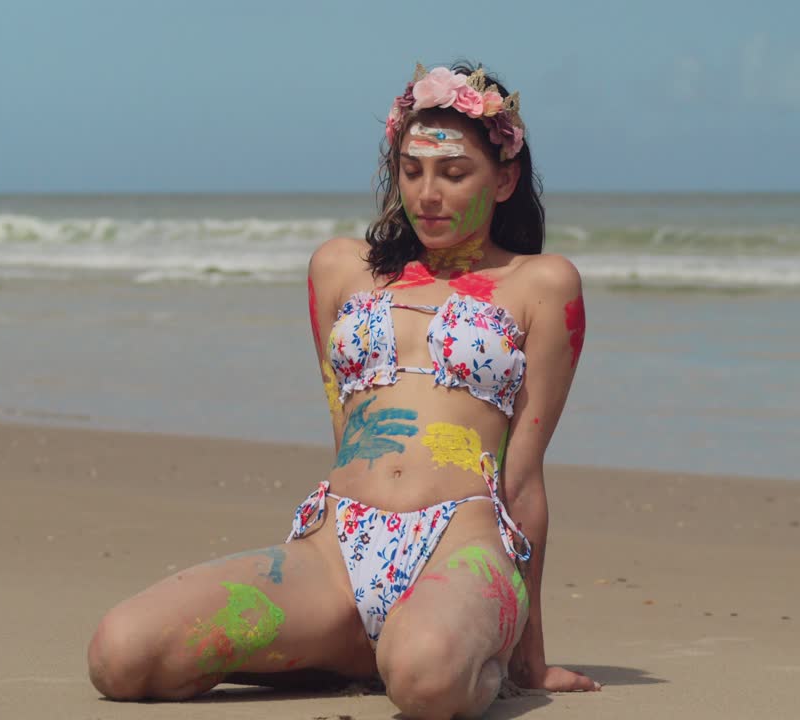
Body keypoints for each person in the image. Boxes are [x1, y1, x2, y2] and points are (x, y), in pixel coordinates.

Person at [86, 62, 596, 718]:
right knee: (120, 656)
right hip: (337, 554)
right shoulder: (339, 271)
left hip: (462, 546)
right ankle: (356, 644)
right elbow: (345, 429)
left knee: (428, 684)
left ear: (503, 179)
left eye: (454, 172)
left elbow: (522, 479)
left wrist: (531, 659)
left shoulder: (542, 285)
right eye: (412, 171)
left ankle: (440, 653)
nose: (428, 193)